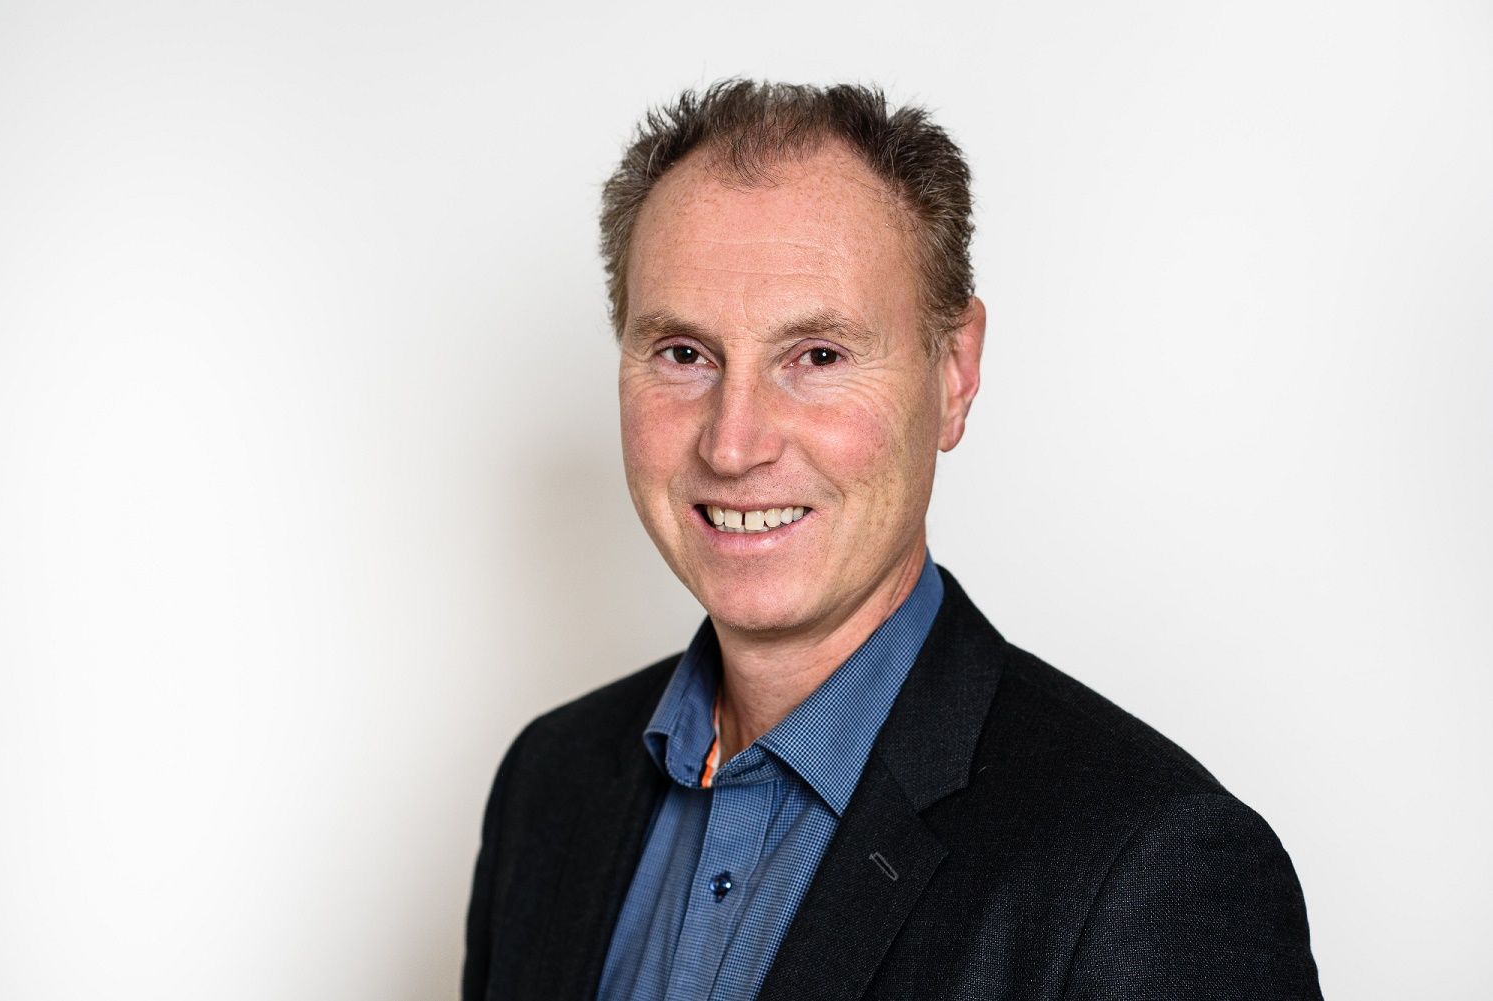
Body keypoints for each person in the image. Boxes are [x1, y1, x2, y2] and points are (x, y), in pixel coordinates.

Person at [463, 80, 1322, 1001]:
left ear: (954, 372)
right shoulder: (548, 787)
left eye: (818, 356)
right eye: (684, 354)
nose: (733, 445)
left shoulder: (1153, 869)